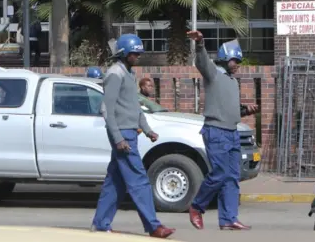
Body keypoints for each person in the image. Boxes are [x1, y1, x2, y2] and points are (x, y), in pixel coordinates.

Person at [90, 34, 175, 238]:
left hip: (130, 132)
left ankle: (101, 224)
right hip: (123, 135)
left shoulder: (128, 73)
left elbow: (134, 107)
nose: (138, 56)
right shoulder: (114, 74)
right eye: (134, 53)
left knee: (115, 182)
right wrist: (118, 138)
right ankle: (153, 226)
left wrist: (147, 129)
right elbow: (107, 110)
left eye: (138, 53)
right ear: (124, 53)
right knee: (139, 180)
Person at [186, 30, 259, 231]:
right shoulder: (214, 74)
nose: (237, 64)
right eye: (235, 60)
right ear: (225, 58)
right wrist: (200, 43)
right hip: (216, 131)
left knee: (232, 177)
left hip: (232, 132)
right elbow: (202, 62)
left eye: (238, 61)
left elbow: (230, 109)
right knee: (218, 173)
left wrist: (245, 109)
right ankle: (196, 206)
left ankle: (228, 218)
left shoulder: (232, 81)